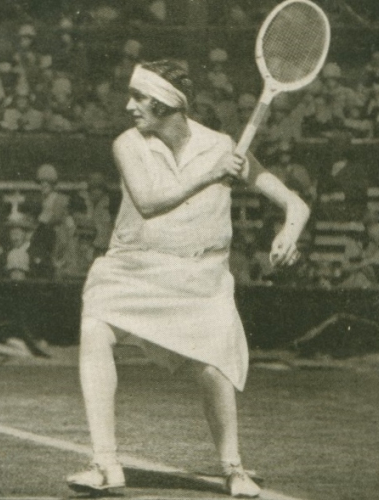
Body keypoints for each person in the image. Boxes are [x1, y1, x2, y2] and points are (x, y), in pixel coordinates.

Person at [67, 60, 310, 498]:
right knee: (95, 328)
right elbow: (148, 203)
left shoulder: (221, 146)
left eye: (139, 98)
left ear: (165, 104)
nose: (129, 106)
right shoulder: (127, 144)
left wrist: (288, 233)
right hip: (132, 268)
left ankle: (233, 468)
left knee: (214, 369)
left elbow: (295, 204)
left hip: (201, 277)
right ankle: (104, 464)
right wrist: (212, 174)